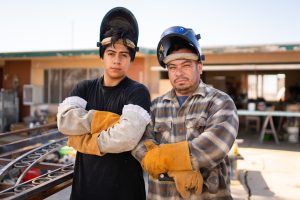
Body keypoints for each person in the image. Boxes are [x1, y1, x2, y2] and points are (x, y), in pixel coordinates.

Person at [132, 26, 239, 199]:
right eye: (172, 67)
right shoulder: (155, 107)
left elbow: (215, 146)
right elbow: (140, 144)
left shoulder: (220, 102)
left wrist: (162, 160)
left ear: (200, 67)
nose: (179, 72)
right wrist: (179, 167)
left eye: (186, 65)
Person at [57, 7, 151, 200]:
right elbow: (65, 121)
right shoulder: (84, 88)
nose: (117, 60)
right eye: (111, 53)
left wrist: (85, 140)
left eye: (124, 55)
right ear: (102, 55)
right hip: (85, 191)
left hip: (126, 193)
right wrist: (102, 120)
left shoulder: (138, 92)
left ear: (131, 59)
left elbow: (127, 137)